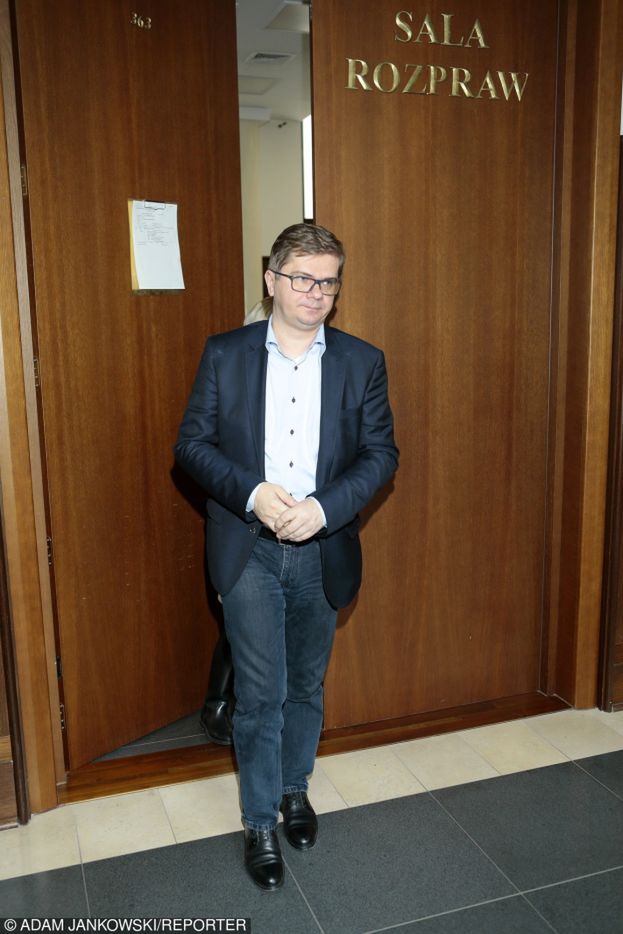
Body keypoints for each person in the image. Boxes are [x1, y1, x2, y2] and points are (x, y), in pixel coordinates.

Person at [175, 223, 398, 890]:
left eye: (327, 280)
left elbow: (380, 455)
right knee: (259, 693)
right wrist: (253, 493)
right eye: (301, 277)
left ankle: (294, 789)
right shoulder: (226, 354)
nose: (314, 292)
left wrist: (324, 508)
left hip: (322, 549)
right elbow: (191, 446)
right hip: (248, 548)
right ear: (271, 280)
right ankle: (258, 822)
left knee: (304, 684)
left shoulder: (362, 361)